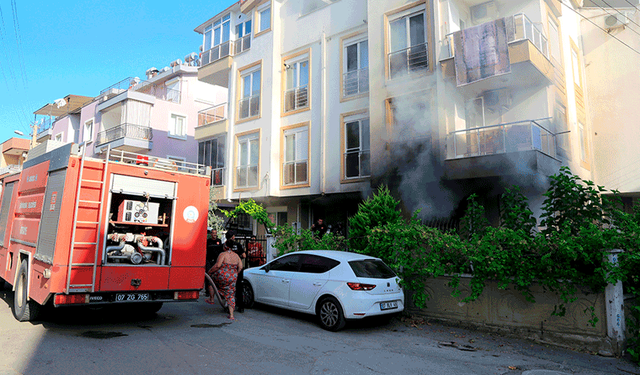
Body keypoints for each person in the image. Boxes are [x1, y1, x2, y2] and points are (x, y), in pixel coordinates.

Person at [206, 240, 243, 320]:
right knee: (231, 294)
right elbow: (240, 267)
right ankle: (231, 315)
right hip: (233, 277)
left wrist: (210, 272)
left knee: (211, 280)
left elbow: (218, 265)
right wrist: (235, 273)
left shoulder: (223, 254)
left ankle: (212, 298)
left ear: (225, 246)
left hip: (222, 276)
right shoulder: (236, 256)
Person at [226, 230, 246, 313]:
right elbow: (244, 255)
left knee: (229, 288)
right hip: (238, 268)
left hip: (228, 269)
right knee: (239, 287)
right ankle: (240, 306)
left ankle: (229, 306)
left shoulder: (225, 245)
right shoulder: (238, 245)